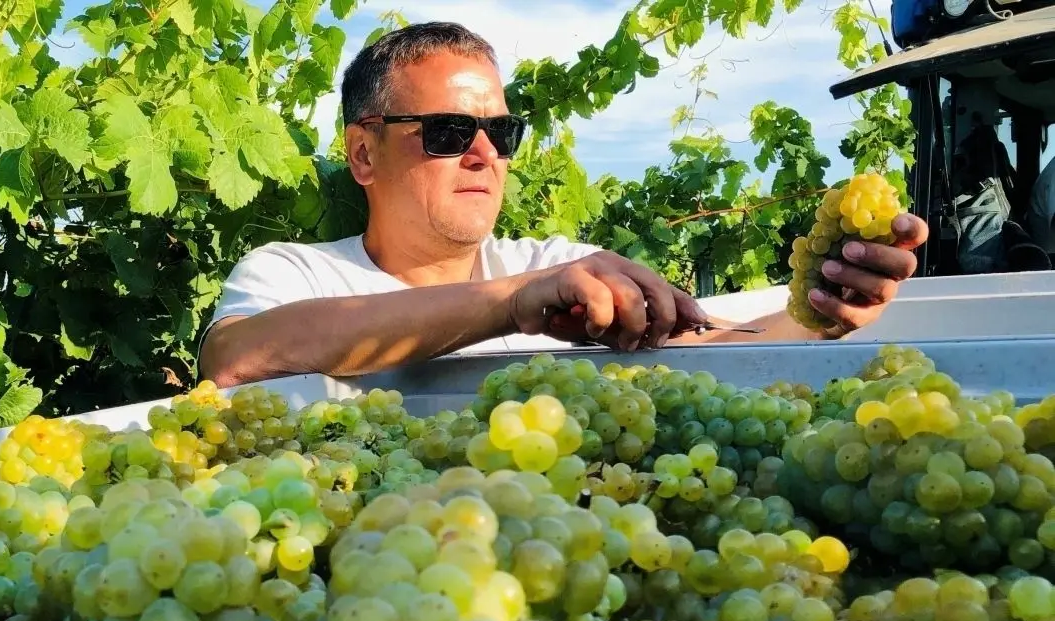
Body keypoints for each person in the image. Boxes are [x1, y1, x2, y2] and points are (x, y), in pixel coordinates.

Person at [198, 22, 930, 388]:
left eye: (502, 132)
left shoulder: (555, 267)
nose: (486, 153)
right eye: (452, 132)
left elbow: (701, 349)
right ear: (364, 154)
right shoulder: (294, 275)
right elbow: (236, 359)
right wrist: (511, 304)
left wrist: (819, 313)